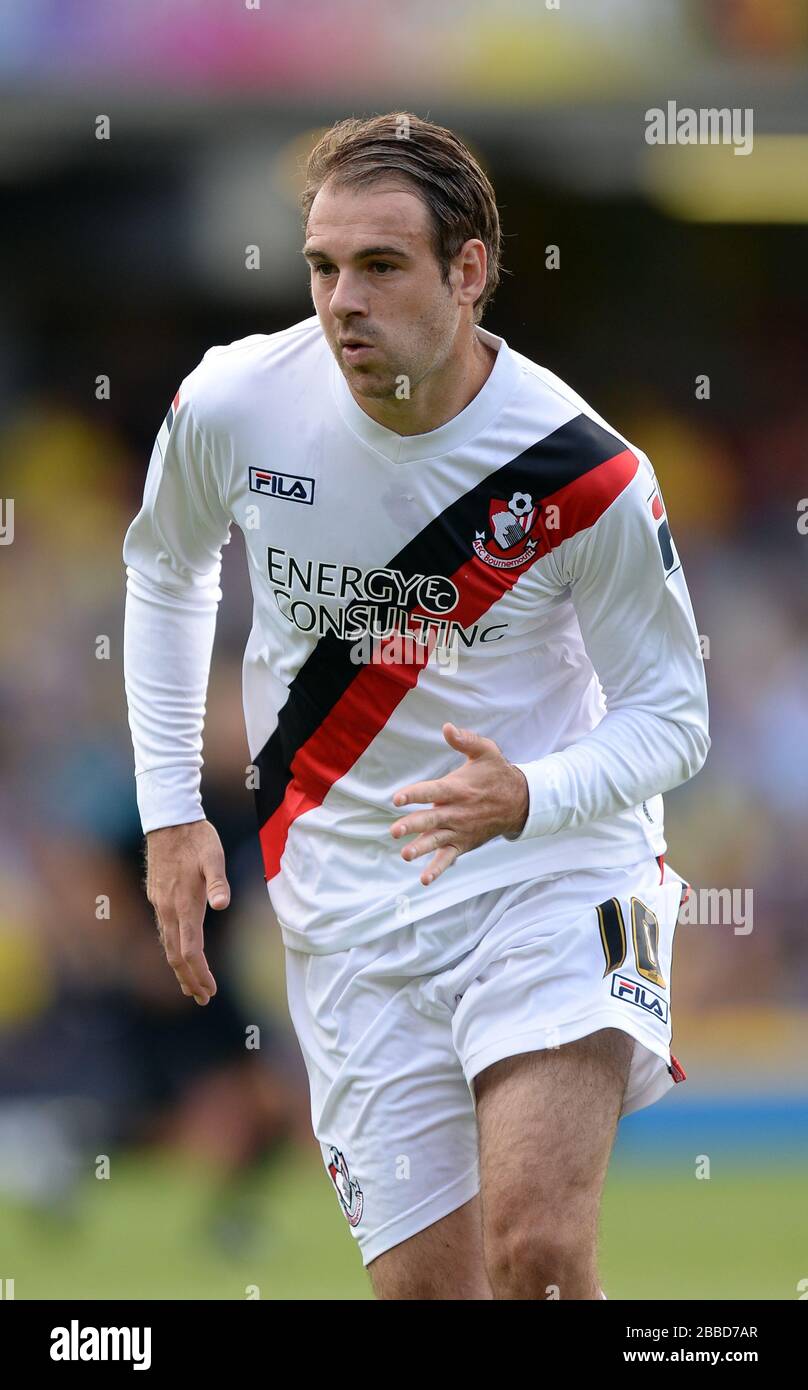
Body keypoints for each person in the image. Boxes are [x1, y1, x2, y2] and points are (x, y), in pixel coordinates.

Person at [122, 112, 709, 1300]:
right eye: (323, 266)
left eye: (381, 266)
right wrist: (169, 807)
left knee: (536, 1256)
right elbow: (164, 566)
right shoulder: (236, 404)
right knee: (427, 1293)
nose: (342, 299)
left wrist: (528, 794)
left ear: (470, 271)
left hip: (553, 871)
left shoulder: (581, 473)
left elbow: (673, 716)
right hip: (345, 898)